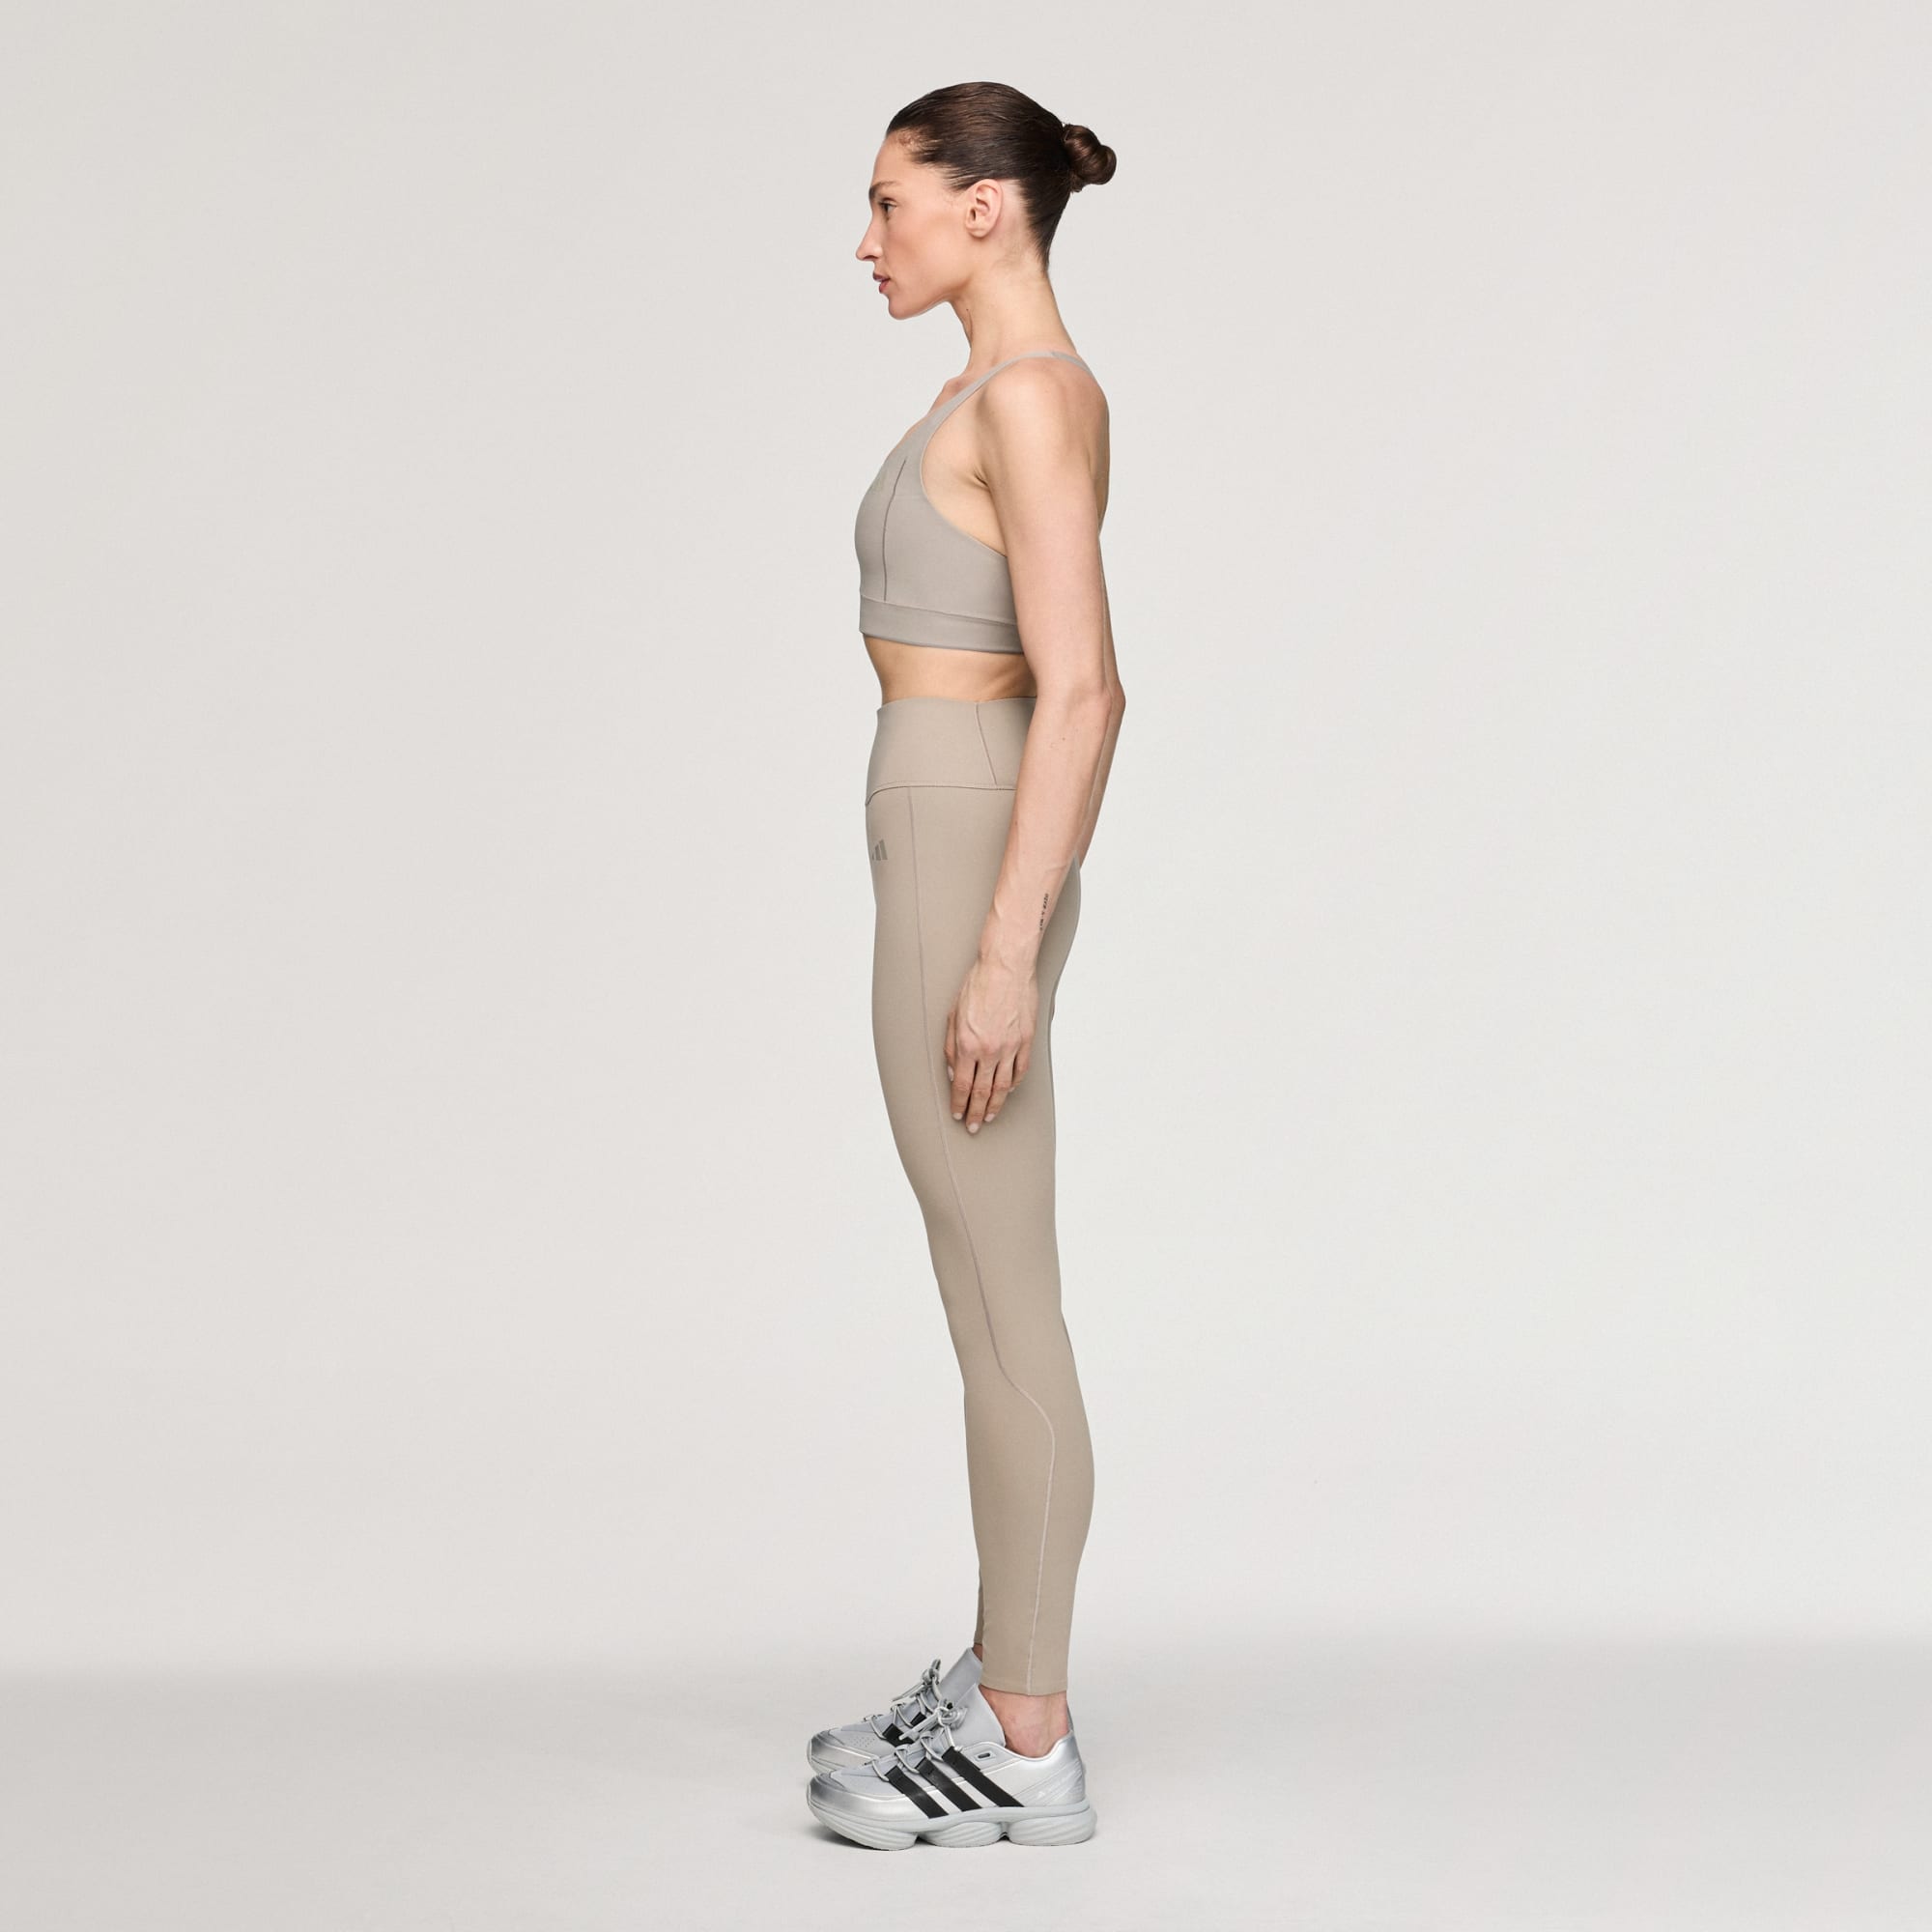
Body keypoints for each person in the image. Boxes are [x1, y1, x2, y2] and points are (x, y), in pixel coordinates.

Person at [803, 81, 1125, 1852]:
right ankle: (1009, 1681)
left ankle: (1025, 1738)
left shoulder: (1028, 396)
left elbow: (1086, 691)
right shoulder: (986, 393)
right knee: (977, 1273)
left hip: (967, 829)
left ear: (984, 205)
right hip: (940, 812)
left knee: (1001, 1287)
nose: (869, 239)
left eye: (891, 201)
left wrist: (1005, 949)